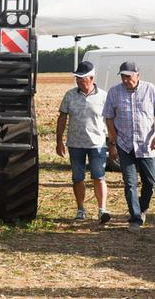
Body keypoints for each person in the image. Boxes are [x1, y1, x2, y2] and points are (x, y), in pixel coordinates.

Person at [102, 62, 155, 234]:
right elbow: (109, 117)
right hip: (125, 145)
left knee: (150, 182)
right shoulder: (114, 92)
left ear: (138, 75)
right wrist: (113, 142)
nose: (125, 80)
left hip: (146, 144)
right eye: (123, 76)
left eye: (128, 77)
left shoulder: (150, 90)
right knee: (130, 183)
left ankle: (142, 208)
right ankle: (135, 218)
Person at [56, 61, 111, 224]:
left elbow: (109, 120)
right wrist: (59, 141)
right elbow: (62, 118)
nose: (79, 81)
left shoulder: (103, 96)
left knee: (99, 176)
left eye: (82, 78)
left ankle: (102, 210)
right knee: (78, 178)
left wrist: (113, 141)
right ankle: (81, 209)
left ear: (92, 78)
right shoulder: (70, 95)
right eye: (77, 79)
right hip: (75, 144)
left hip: (97, 144)